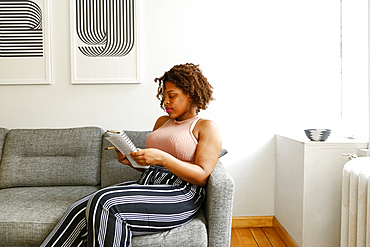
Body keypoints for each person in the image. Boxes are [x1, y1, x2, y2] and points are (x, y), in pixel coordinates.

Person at [40, 63, 222, 247]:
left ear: (190, 94)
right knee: (79, 209)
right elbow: (152, 165)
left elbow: (201, 175)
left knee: (105, 203)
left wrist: (163, 158)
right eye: (164, 96)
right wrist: (132, 161)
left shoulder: (206, 127)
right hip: (149, 183)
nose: (166, 101)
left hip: (180, 193)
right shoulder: (162, 122)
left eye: (172, 96)